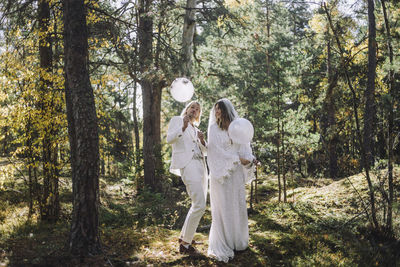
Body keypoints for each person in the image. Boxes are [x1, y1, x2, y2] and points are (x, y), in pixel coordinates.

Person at [207, 98, 257, 262]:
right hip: (220, 175)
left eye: (219, 109)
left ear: (226, 110)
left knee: (236, 204)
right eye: (215, 110)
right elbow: (216, 152)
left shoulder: (237, 126)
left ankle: (238, 242)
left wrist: (251, 159)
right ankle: (225, 241)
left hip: (235, 175)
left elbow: (244, 148)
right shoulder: (214, 129)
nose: (217, 112)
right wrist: (237, 159)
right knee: (223, 207)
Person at [166, 101, 208, 256]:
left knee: (196, 203)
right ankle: (185, 245)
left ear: (198, 114)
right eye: (192, 107)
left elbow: (205, 151)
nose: (194, 110)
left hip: (201, 167)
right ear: (187, 109)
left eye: (197, 109)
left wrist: (203, 141)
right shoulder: (177, 120)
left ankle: (184, 237)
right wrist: (182, 127)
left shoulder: (196, 129)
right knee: (200, 205)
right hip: (188, 165)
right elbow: (169, 139)